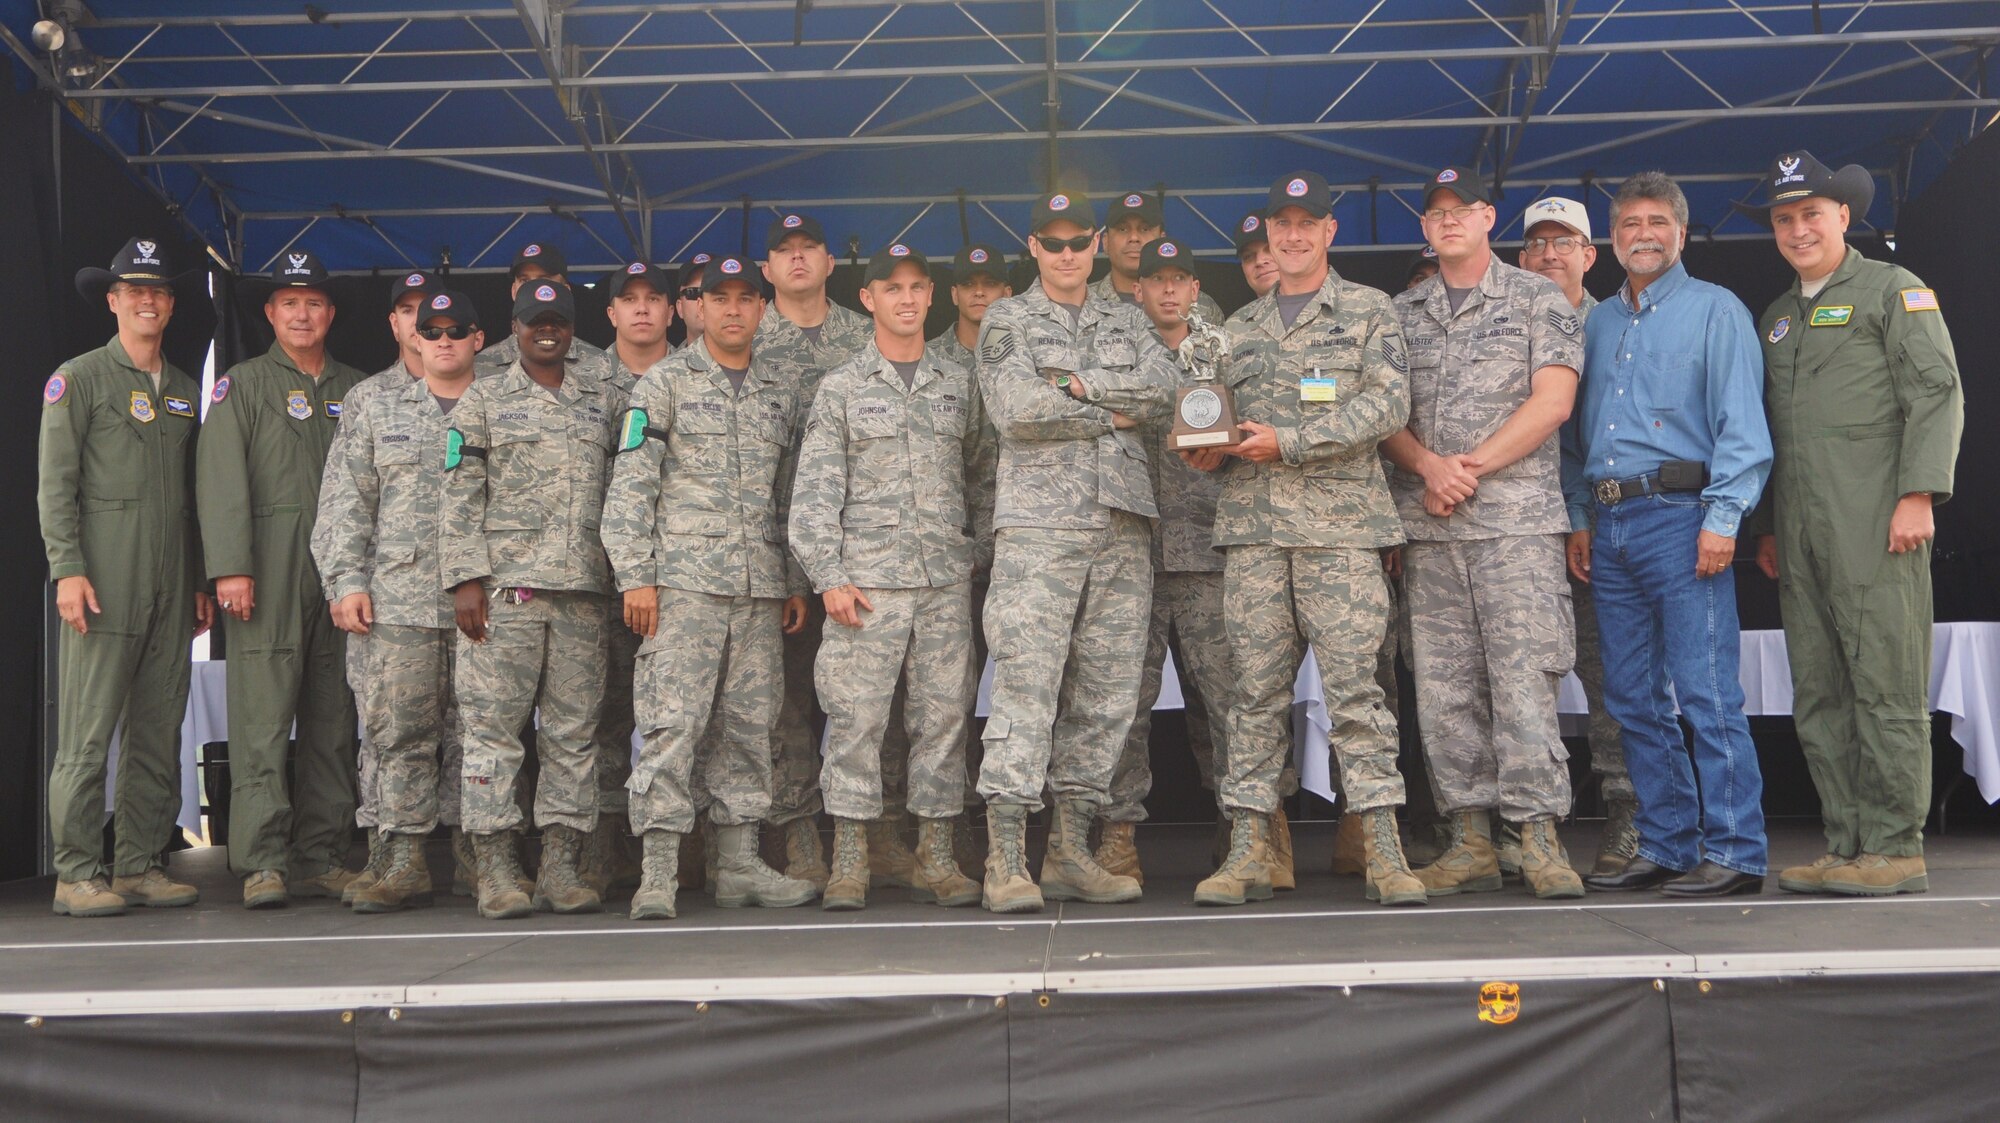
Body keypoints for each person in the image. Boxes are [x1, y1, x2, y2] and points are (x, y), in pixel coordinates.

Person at [1737, 151, 1964, 897]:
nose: (1799, 229)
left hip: (1876, 521)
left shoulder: (1894, 291)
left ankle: (1897, 845)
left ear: (1844, 216)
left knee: (1884, 685)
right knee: (1820, 690)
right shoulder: (1776, 319)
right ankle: (1847, 842)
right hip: (1800, 534)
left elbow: (1935, 394)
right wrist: (1768, 526)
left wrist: (1920, 493)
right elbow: (1768, 432)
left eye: (1812, 214)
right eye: (1784, 218)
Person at [1193, 171, 1422, 909]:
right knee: (1252, 697)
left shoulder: (1368, 311)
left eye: (1306, 223)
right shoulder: (1235, 330)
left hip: (1341, 535)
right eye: (1279, 225)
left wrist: (1288, 441)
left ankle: (1382, 845)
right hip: (1255, 537)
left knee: (1358, 693)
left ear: (1330, 231)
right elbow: (1213, 420)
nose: (1290, 236)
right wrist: (1206, 447)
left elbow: (1387, 405)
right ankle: (1250, 847)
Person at [1565, 171, 1773, 898]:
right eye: (1628, 224)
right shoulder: (1597, 323)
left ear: (1681, 233)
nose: (1642, 234)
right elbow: (1575, 436)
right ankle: (1668, 842)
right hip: (1612, 522)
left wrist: (1723, 522)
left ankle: (1738, 849)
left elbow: (1744, 431)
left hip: (1684, 520)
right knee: (1630, 698)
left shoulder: (1717, 311)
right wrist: (1582, 517)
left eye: (1656, 221)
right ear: (1611, 239)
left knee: (1707, 690)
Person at [1381, 167, 1586, 900]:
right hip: (1431, 530)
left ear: (1487, 217)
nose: (1447, 221)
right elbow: (1384, 415)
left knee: (1523, 680)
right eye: (1434, 213)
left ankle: (1538, 837)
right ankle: (1468, 836)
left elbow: (1554, 400)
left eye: (1460, 209)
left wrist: (1466, 469)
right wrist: (1428, 467)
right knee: (1443, 687)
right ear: (1425, 228)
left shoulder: (1538, 297)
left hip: (1516, 526)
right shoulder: (1401, 314)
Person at [974, 189, 1174, 913]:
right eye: (1051, 243)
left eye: (1077, 241)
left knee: (1107, 694)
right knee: (1026, 689)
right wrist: (1110, 412)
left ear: (1095, 244)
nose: (1066, 254)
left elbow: (1169, 389)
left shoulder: (1127, 316)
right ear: (1032, 248)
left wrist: (1080, 386)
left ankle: (1068, 848)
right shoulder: (1008, 318)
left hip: (1123, 524)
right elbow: (1016, 410)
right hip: (1039, 528)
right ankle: (1005, 857)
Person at [601, 254, 817, 919]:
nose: (731, 309)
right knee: (672, 725)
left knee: (750, 730)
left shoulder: (781, 388)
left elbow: (790, 496)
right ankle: (659, 871)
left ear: (760, 308)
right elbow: (632, 487)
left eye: (745, 298)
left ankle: (739, 863)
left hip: (758, 591)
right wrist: (637, 575)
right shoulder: (664, 383)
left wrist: (792, 578)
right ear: (699, 306)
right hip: (684, 588)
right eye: (718, 297)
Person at [790, 243, 995, 910]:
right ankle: (850, 857)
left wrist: (974, 556)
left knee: (942, 721)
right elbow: (815, 496)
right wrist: (828, 576)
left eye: (916, 287)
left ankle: (936, 855)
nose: (906, 298)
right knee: (855, 723)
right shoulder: (842, 389)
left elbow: (982, 477)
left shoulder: (958, 384)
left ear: (930, 296)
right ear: (868, 299)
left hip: (941, 584)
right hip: (866, 588)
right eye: (892, 288)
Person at [1097, 236, 1278, 887]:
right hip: (1133, 554)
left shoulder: (1227, 345)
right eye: (1156, 280)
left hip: (1209, 549)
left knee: (1231, 700)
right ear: (1137, 289)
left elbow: (1262, 422)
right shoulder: (1112, 346)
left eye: (1180, 279)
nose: (1169, 290)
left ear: (1196, 289)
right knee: (1124, 702)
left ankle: (1250, 831)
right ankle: (1117, 835)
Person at [441, 280, 625, 919]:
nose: (546, 331)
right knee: (492, 735)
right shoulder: (484, 400)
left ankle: (560, 868)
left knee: (574, 737)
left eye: (558, 322)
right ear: (513, 328)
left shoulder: (602, 398)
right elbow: (457, 490)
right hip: (504, 597)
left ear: (573, 331)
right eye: (533, 321)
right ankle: (495, 869)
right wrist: (465, 577)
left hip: (582, 597)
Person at [39, 237, 211, 917]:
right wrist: (67, 569)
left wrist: (198, 580)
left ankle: (137, 861)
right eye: (134, 290)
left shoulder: (185, 393)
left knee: (158, 726)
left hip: (171, 584)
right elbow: (56, 487)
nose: (148, 300)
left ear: (171, 305)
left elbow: (195, 501)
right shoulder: (77, 378)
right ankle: (76, 871)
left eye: (159, 291)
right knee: (86, 730)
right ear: (112, 300)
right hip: (102, 579)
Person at [197, 250, 366, 908]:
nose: (302, 313)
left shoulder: (358, 389)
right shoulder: (241, 385)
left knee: (332, 719)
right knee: (263, 720)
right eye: (289, 303)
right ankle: (263, 859)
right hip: (266, 568)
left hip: (342, 573)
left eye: (315, 302)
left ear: (330, 313)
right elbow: (219, 481)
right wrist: (229, 567)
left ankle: (321, 853)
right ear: (269, 312)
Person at [314, 289, 486, 912]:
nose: (438, 336)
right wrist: (346, 581)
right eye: (425, 324)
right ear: (405, 329)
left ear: (477, 335)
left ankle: (478, 858)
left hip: (484, 606)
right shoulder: (370, 401)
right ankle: (400, 857)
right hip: (396, 602)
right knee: (396, 734)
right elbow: (345, 501)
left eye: (452, 327)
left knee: (481, 735)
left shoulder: (499, 396)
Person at [755, 212, 878, 890]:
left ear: (833, 263)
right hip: (769, 553)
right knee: (783, 706)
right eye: (784, 252)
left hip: (862, 554)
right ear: (766, 269)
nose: (798, 260)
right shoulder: (740, 336)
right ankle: (801, 838)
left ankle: (879, 838)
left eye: (810, 249)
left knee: (869, 705)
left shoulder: (867, 338)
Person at [1518, 196, 1638, 877]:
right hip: (1524, 533)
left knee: (1612, 679)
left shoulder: (1619, 328)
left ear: (1591, 256)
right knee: (1518, 683)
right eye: (1536, 244)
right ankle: (1524, 829)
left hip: (1600, 533)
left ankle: (1626, 811)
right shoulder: (1506, 328)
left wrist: (1583, 517)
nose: (1548, 255)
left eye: (1564, 243)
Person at [577, 260, 680, 898]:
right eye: (628, 300)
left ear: (672, 310)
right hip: (593, 579)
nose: (641, 309)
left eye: (653, 299)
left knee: (683, 721)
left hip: (681, 583)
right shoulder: (580, 382)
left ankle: (682, 852)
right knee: (602, 717)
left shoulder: (698, 377)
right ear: (610, 313)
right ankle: (601, 849)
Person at [1090, 191, 1226, 322]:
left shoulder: (1202, 308)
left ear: (1162, 240)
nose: (1133, 237)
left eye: (1145, 229)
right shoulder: (1083, 303)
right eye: (1122, 229)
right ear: (1105, 242)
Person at [476, 242, 608, 374]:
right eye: (525, 281)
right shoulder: (483, 364)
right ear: (513, 291)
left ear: (566, 291)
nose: (534, 289)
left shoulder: (599, 363)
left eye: (544, 280)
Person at [931, 243, 1012, 372]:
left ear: (1007, 294)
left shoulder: (1026, 352)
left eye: (990, 283)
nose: (979, 292)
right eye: (968, 284)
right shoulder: (928, 357)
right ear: (955, 294)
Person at [1234, 211, 1279, 300]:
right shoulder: (1241, 314)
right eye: (1248, 256)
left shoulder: (1314, 307)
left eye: (1269, 249)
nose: (1259, 261)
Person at [675, 253, 712, 352]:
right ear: (680, 308)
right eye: (693, 292)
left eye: (714, 293)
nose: (703, 301)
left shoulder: (756, 360)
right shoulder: (663, 366)